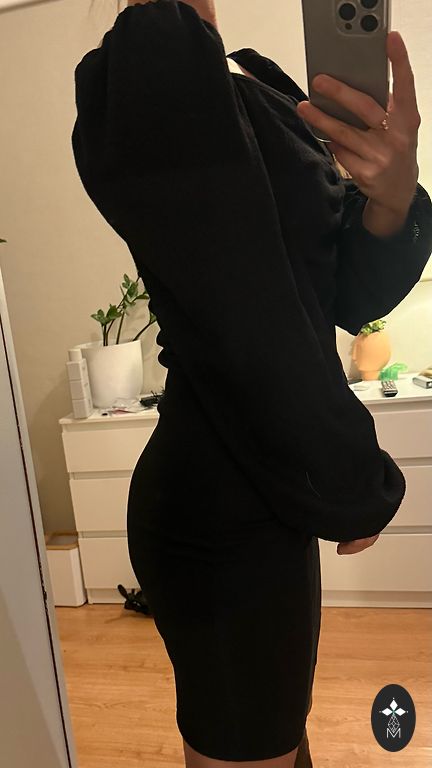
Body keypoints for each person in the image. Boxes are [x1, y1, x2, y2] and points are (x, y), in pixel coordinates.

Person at [72, 1, 432, 766]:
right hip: (223, 511)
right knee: (254, 741)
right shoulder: (158, 55)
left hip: (266, 492)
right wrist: (351, 478)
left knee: (275, 736)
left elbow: (336, 297)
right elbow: (247, 312)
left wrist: (395, 195)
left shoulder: (250, 78)